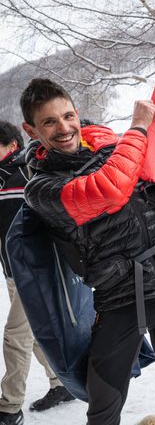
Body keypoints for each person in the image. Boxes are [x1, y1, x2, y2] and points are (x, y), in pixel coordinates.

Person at [18, 79, 155, 425]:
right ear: (30, 129)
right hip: (119, 301)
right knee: (102, 412)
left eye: (68, 115)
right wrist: (138, 128)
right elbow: (110, 190)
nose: (64, 128)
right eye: (49, 122)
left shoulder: (107, 145)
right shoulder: (41, 188)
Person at [0, 121, 75, 425]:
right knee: (32, 337)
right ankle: (62, 384)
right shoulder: (3, 181)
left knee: (15, 336)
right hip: (13, 272)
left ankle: (9, 406)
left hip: (33, 272)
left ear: (11, 146)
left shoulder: (24, 177)